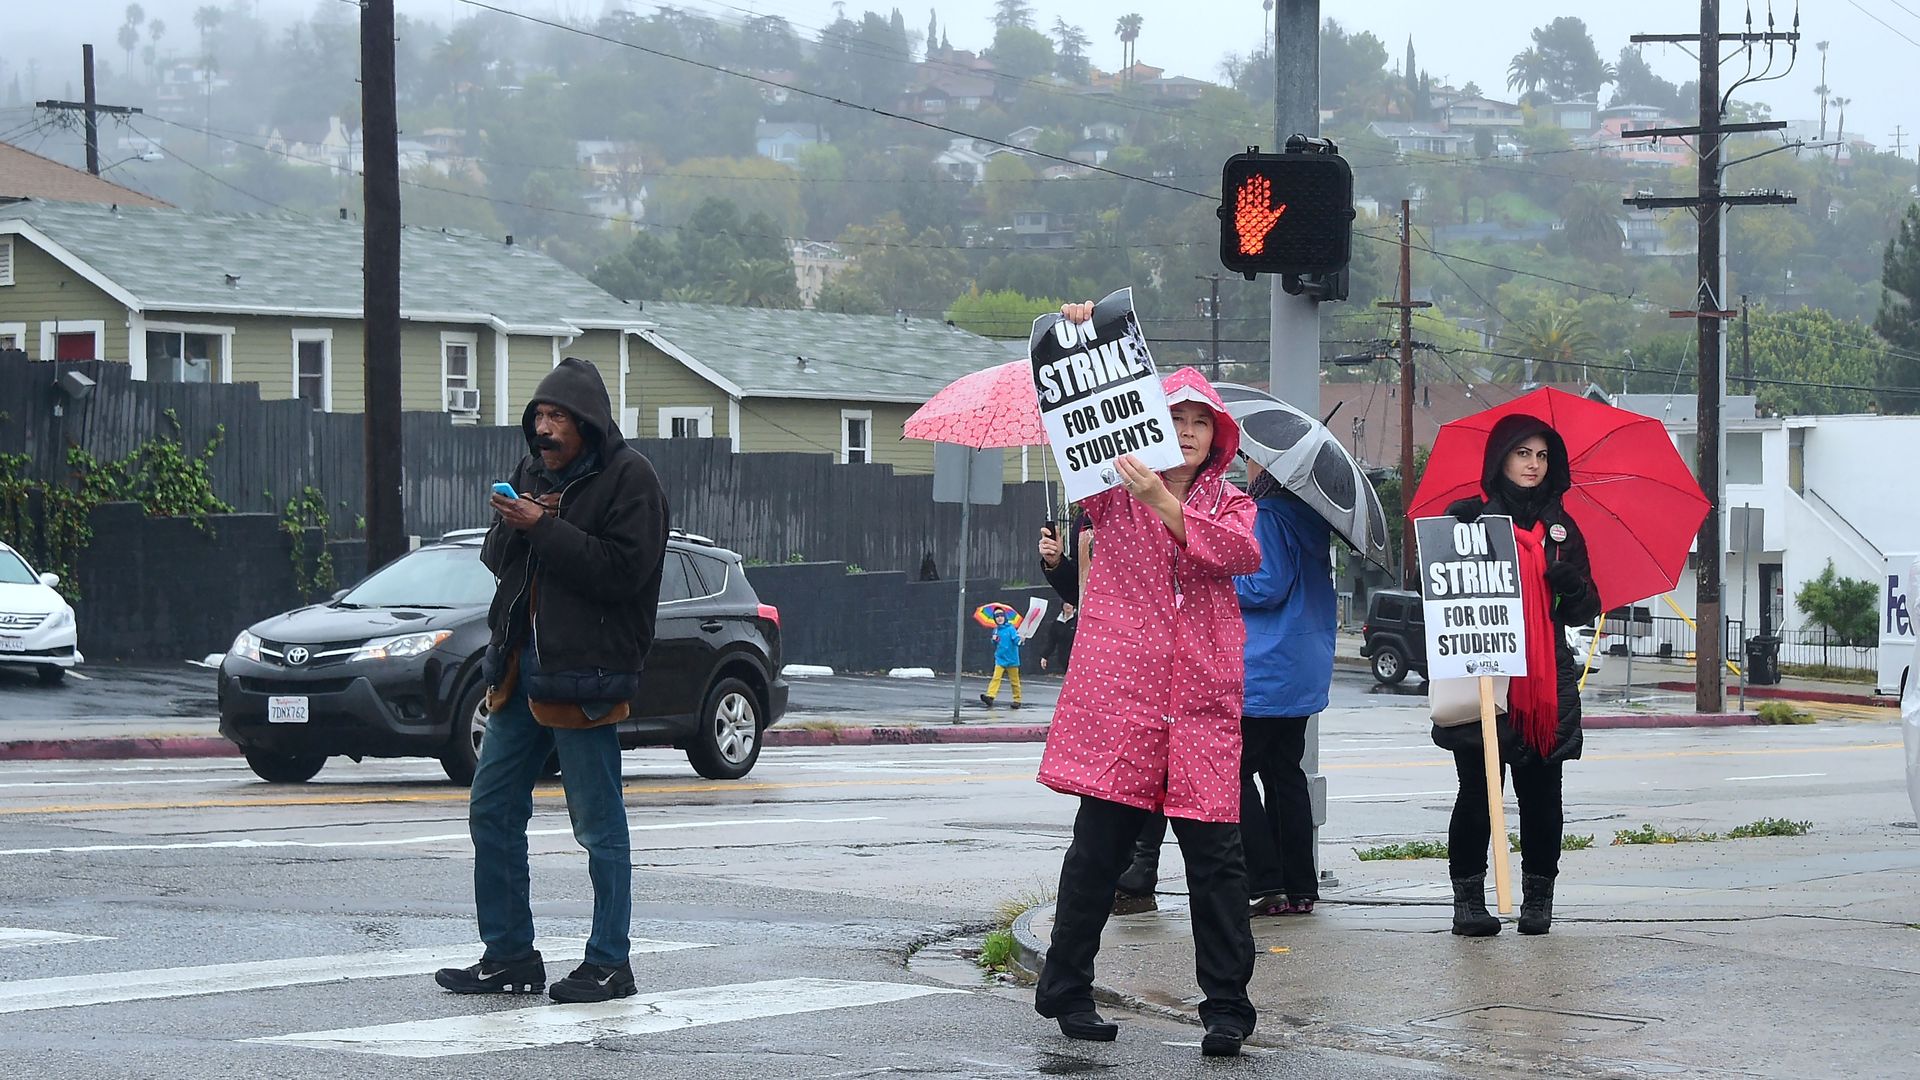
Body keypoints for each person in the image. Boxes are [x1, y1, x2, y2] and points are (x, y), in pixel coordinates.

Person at [1032, 317, 1262, 1056]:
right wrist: (1083, 334)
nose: (1190, 431)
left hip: (1199, 708)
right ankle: (1065, 986)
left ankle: (1227, 1007)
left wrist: (1171, 507)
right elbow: (1079, 415)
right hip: (1123, 699)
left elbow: (1240, 554)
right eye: (1177, 418)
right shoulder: (1112, 489)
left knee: (1216, 863)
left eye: (1202, 422)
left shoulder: (1230, 503)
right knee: (1097, 851)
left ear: (1218, 437)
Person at [434, 356, 670, 1002]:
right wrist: (514, 522)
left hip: (587, 676)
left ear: (588, 422)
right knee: (491, 808)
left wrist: (546, 526)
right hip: (521, 668)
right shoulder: (532, 474)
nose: (543, 429)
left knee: (597, 825)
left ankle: (609, 963)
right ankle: (508, 954)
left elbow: (621, 572)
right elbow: (497, 558)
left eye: (556, 417)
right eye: (537, 416)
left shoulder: (631, 481)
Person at [1439, 413, 1599, 937]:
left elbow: (1585, 609)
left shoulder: (1562, 529)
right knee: (1478, 793)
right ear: (1500, 459)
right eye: (1523, 453)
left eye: (1542, 455)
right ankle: (1468, 900)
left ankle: (1537, 899)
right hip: (1484, 670)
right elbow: (1433, 588)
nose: (1533, 465)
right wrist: (1452, 528)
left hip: (1545, 679)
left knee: (1542, 795)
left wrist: (1571, 585)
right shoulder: (1472, 522)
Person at [1236, 457, 1336, 917]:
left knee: (1233, 774)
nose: (1247, 462)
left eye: (1252, 456)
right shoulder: (1313, 519)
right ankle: (1299, 885)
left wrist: (1219, 571)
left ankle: (1263, 880)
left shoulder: (1269, 516)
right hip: (1299, 668)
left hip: (1264, 668)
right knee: (1284, 773)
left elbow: (1264, 586)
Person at [979, 609, 1024, 709]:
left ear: (1005, 617)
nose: (999, 618)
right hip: (1000, 658)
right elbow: (995, 643)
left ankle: (1017, 700)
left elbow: (1016, 640)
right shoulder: (996, 630)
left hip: (1012, 659)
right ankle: (990, 696)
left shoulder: (1011, 629)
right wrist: (994, 640)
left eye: (1001, 616)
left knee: (1014, 681)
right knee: (996, 678)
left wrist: (1020, 641)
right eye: (997, 617)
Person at [1037, 602, 1077, 673]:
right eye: (1065, 603)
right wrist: (1045, 656)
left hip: (1076, 657)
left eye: (1070, 603)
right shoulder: (1056, 623)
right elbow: (1051, 642)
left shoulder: (1078, 620)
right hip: (1063, 657)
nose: (1068, 605)